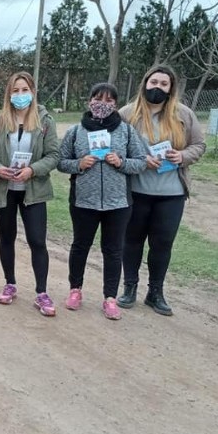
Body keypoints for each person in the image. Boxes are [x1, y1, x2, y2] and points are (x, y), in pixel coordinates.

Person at [117, 64, 206, 315]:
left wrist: (182, 155)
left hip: (171, 193)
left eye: (163, 84)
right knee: (131, 241)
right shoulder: (127, 114)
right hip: (135, 191)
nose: (157, 87)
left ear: (171, 88)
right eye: (153, 82)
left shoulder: (184, 115)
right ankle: (129, 288)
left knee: (162, 243)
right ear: (145, 83)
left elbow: (199, 145)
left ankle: (155, 292)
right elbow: (115, 150)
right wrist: (140, 161)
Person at [57, 83, 146, 320]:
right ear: (89, 102)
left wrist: (121, 162)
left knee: (113, 250)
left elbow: (141, 162)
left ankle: (110, 298)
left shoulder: (126, 131)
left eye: (108, 100)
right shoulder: (76, 131)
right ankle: (75, 290)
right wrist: (79, 164)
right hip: (84, 201)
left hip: (118, 203)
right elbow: (60, 161)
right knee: (80, 246)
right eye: (98, 98)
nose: (102, 104)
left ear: (115, 105)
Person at [0, 71, 60, 314]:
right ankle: (10, 284)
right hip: (4, 190)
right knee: (7, 238)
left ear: (33, 92)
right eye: (15, 91)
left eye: (24, 90)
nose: (20, 95)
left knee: (37, 240)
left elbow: (54, 155)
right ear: (9, 94)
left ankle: (42, 293)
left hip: (33, 191)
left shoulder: (45, 122)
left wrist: (32, 170)